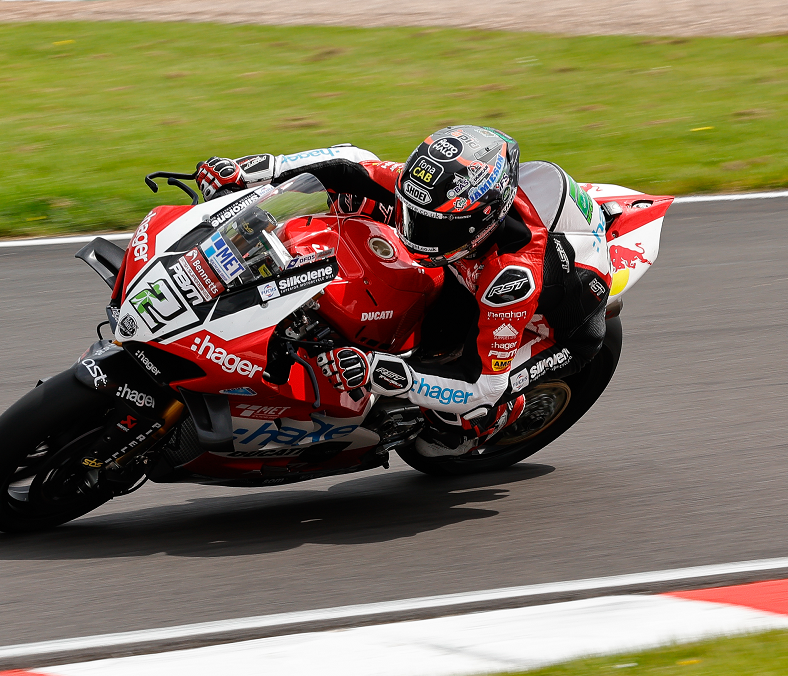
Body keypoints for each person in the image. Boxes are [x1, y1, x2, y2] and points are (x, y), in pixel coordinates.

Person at [194, 127, 612, 456]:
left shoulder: (511, 280)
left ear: (480, 220)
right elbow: (352, 164)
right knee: (355, 199)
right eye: (414, 215)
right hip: (467, 271)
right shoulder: (443, 197)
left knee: (467, 415)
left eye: (428, 225)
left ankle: (486, 428)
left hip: (558, 332)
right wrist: (258, 169)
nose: (412, 232)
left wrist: (380, 371)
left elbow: (483, 383)